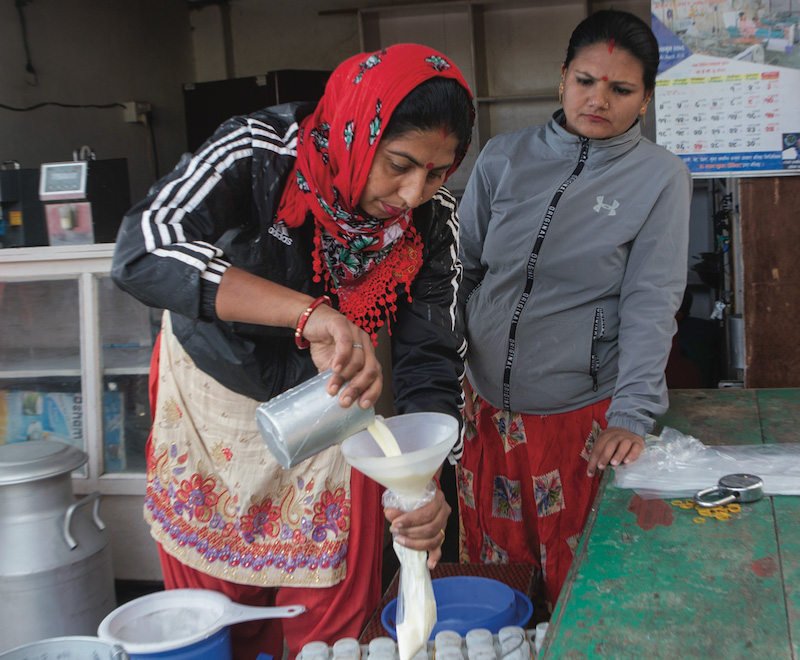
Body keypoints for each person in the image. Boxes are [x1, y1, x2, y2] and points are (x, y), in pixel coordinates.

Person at [111, 43, 474, 659]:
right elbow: (144, 249)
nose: (413, 193)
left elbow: (431, 357)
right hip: (217, 408)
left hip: (331, 410)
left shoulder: (431, 220)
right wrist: (308, 313)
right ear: (359, 132)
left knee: (333, 628)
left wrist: (422, 483)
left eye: (437, 173)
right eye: (399, 164)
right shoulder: (259, 152)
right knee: (218, 619)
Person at [455, 10, 691, 611]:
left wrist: (631, 414)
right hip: (489, 415)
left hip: (580, 420)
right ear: (562, 76)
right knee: (497, 584)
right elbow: (465, 271)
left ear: (645, 100)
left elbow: (651, 300)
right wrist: (447, 375)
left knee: (580, 578)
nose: (598, 100)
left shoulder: (659, 177)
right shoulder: (503, 157)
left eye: (622, 89)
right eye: (585, 80)